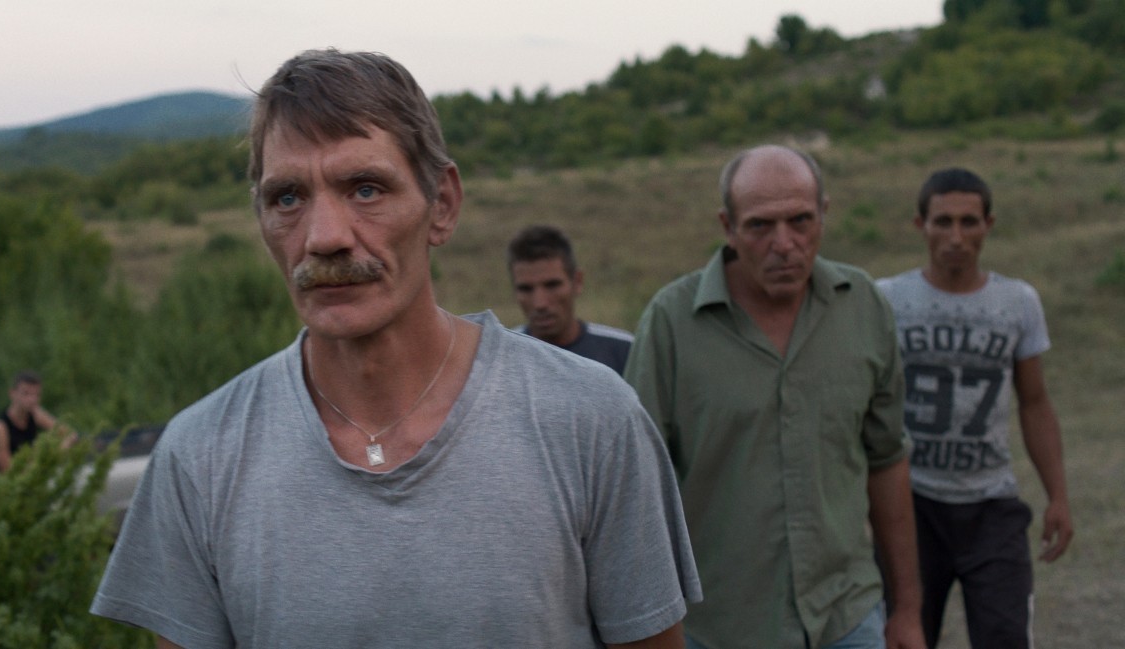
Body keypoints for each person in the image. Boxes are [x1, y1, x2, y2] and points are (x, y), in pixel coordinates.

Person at [91, 48, 700, 649]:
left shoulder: (591, 420)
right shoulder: (201, 456)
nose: (325, 238)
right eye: (288, 198)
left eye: (365, 189)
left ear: (442, 205)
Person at [625, 145, 926, 649]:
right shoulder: (671, 324)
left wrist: (909, 610)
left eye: (800, 221)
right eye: (760, 226)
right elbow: (633, 490)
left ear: (824, 214)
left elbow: (887, 460)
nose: (784, 244)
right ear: (728, 226)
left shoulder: (863, 306)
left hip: (846, 617)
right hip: (719, 626)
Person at [876, 168, 1073, 649]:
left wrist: (1058, 495)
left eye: (969, 222)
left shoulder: (1017, 302)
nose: (956, 237)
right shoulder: (888, 300)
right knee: (905, 635)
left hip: (992, 504)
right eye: (943, 222)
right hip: (912, 504)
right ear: (920, 225)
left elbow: (1034, 401)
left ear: (989, 224)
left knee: (1006, 635)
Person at [507, 224, 634, 374]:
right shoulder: (502, 356)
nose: (540, 303)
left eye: (552, 285)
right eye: (525, 289)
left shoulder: (625, 352)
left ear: (577, 282)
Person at [0, 370, 69, 473]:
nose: (32, 399)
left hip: (31, 472)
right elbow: (7, 471)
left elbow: (69, 434)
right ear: (12, 393)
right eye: (26, 394)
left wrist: (59, 449)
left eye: (36, 395)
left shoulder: (35, 414)